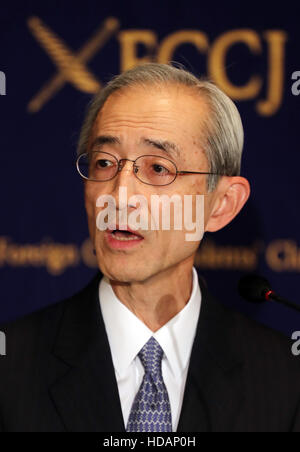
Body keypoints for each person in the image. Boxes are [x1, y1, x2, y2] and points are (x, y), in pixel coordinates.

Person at [0, 63, 299, 432]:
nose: (120, 196)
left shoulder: (285, 379)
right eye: (105, 162)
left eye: (158, 168)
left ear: (221, 204)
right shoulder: (11, 367)